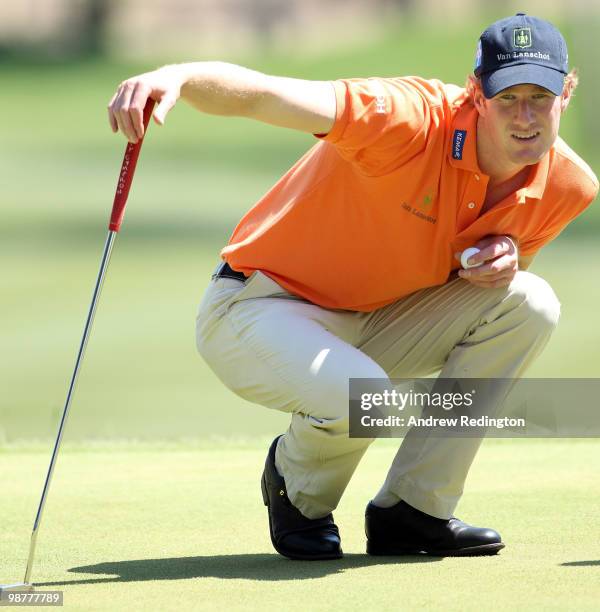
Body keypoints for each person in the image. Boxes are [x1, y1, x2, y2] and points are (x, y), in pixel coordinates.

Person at [108, 13, 598, 560]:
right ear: (476, 93)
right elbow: (266, 97)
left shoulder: (569, 186)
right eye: (508, 97)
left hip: (372, 320)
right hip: (258, 304)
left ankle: (414, 512)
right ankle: (299, 494)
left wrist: (507, 260)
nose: (525, 116)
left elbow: (487, 285)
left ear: (567, 94)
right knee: (369, 398)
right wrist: (178, 78)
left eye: (541, 96)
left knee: (530, 303)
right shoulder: (406, 118)